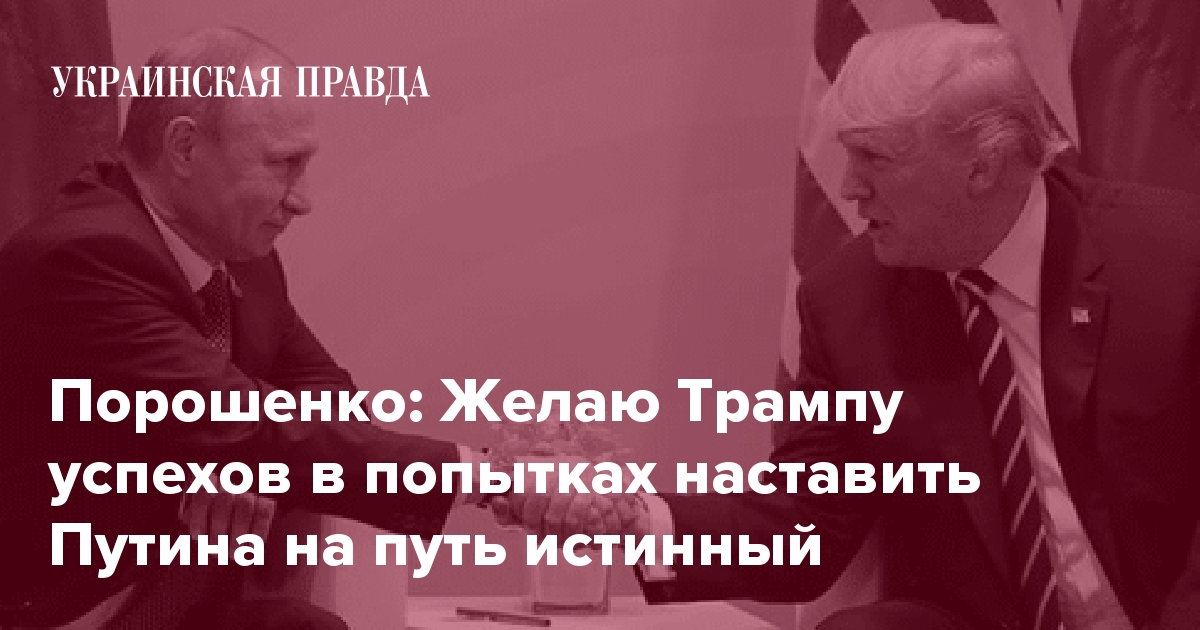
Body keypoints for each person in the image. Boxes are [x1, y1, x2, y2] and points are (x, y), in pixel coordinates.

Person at [498, 21, 1200, 629]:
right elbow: (802, 522)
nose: (850, 188)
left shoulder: (1175, 265)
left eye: (876, 159)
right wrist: (630, 515)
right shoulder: (851, 302)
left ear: (982, 168)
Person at [0, 28, 493, 629]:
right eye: (284, 164)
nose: (303, 200)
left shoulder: (243, 260)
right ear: (184, 148)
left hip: (174, 598)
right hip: (62, 611)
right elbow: (235, 424)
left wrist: (246, 462)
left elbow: (326, 395)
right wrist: (491, 478)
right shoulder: (84, 256)